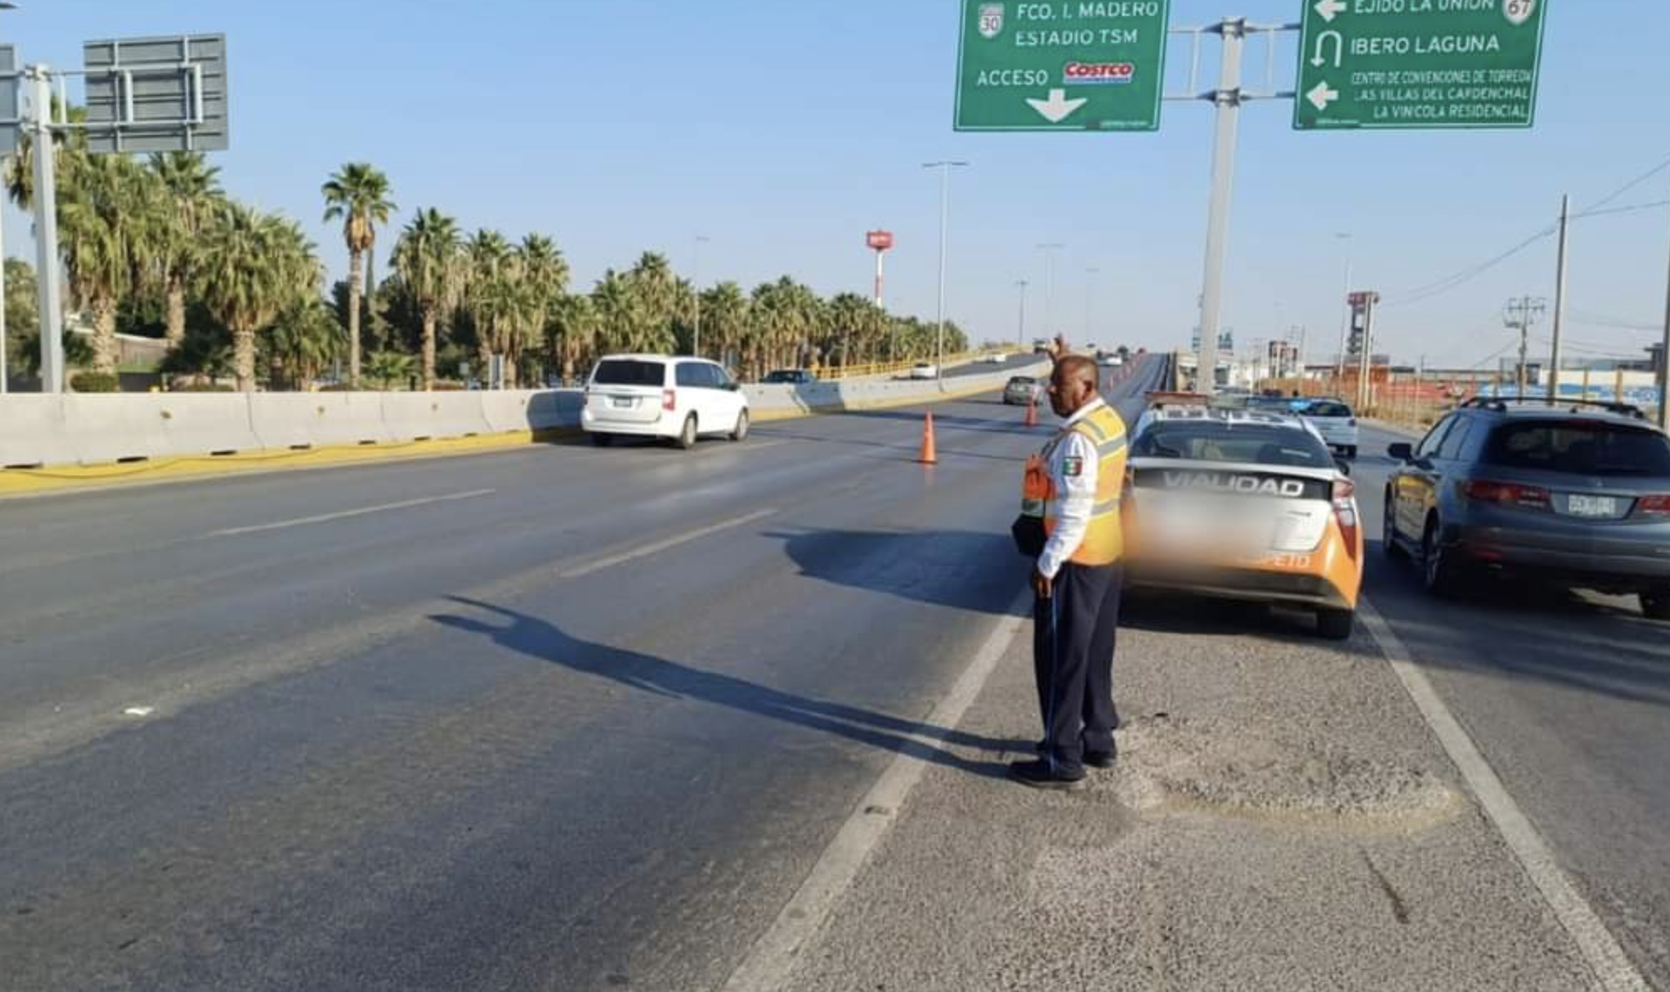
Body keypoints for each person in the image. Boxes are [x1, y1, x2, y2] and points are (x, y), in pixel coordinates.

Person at [1011, 355, 1129, 791]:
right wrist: (1065, 358)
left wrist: (1047, 563)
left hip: (1075, 561)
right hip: (1108, 554)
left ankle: (1062, 756)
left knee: (1062, 658)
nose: (1050, 394)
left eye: (1058, 387)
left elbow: (1075, 510)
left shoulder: (1079, 440)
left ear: (1083, 387)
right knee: (1096, 652)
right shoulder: (1108, 419)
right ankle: (1098, 738)